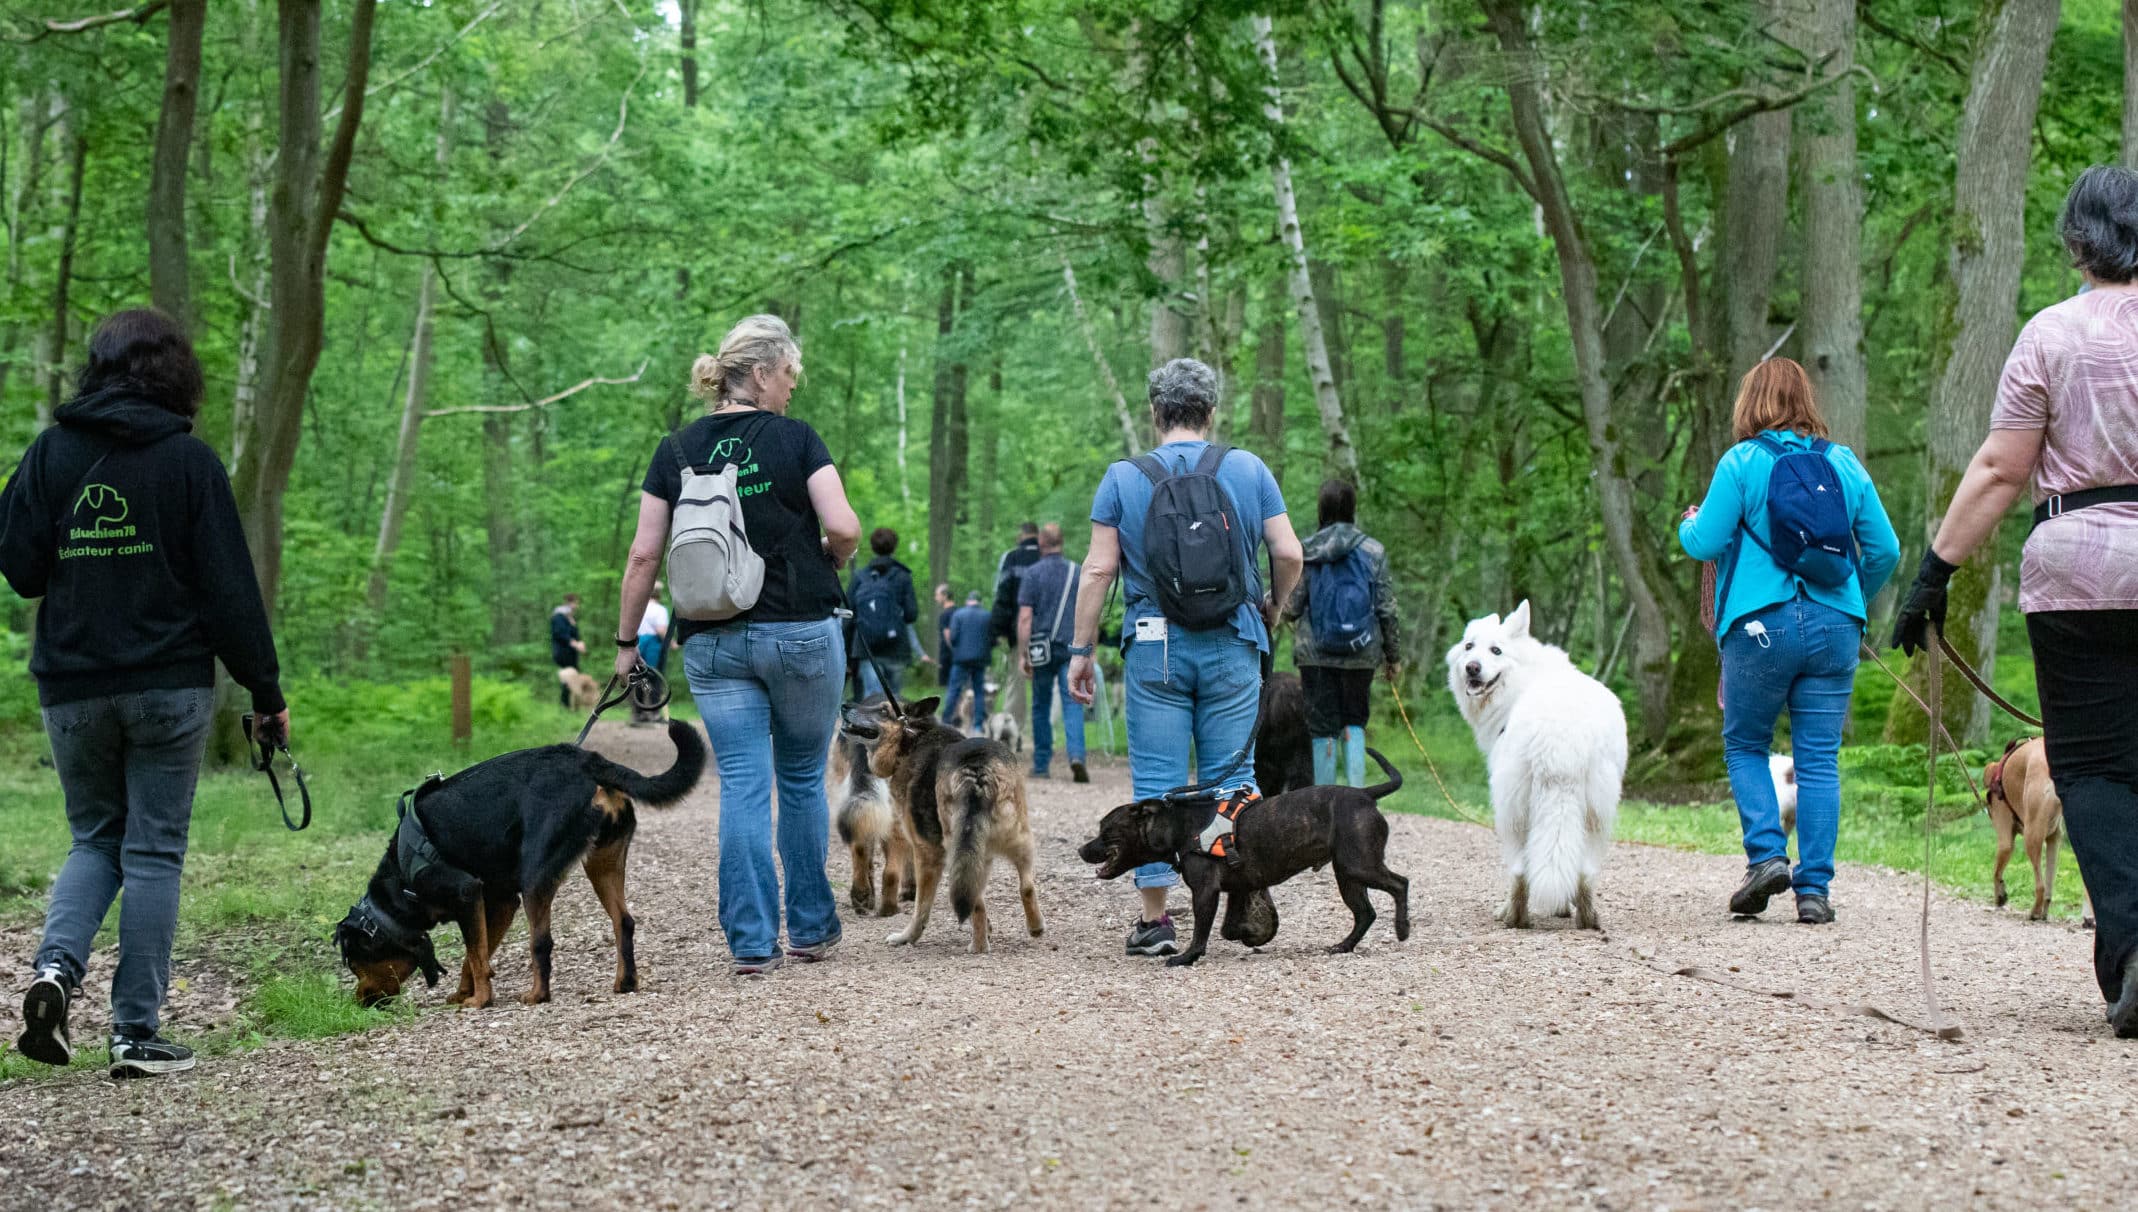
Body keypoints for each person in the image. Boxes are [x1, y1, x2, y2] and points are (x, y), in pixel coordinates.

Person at [0, 309, 289, 1079]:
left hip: (72, 689)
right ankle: (134, 1033)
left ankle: (56, 973)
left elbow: (22, 569)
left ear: (97, 367)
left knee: (94, 838)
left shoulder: (50, 454)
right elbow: (231, 592)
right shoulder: (189, 464)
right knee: (153, 849)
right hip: (169, 687)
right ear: (176, 374)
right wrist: (265, 691)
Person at [1891, 165, 2138, 1035]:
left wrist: (1934, 573)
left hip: (2077, 574)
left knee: (2098, 769)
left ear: (2078, 241)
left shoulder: (2050, 335)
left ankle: (2133, 950)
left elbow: (2001, 468)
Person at [612, 315, 859, 976]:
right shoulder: (797, 440)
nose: (790, 390)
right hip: (801, 630)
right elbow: (842, 525)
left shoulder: (676, 450)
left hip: (713, 642)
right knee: (802, 776)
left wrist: (624, 646)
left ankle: (752, 944)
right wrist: (835, 555)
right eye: (787, 376)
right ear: (759, 373)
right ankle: (809, 928)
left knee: (745, 784)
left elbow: (643, 555)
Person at [1068, 357, 1302, 957]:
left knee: (1157, 783)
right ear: (1212, 410)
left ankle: (1156, 922)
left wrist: (1081, 651)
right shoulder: (1247, 468)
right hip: (1234, 641)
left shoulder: (1123, 477)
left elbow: (1098, 569)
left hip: (1155, 646)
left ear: (1155, 412)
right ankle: (1244, 896)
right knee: (1236, 780)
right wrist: (1272, 607)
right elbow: (1290, 552)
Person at [1679, 357, 1899, 926]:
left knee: (1746, 744)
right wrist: (1850, 600)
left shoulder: (1742, 462)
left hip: (1759, 627)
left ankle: (1768, 857)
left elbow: (1705, 543)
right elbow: (1886, 551)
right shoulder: (1843, 463)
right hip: (1834, 628)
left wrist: (1687, 521)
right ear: (1807, 401)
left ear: (1750, 402)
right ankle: (1814, 891)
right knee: (1819, 758)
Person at [1283, 479, 1402, 788]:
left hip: (1315, 656)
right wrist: (1393, 658)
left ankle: (1325, 804)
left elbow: (1293, 606)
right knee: (1354, 722)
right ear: (1352, 508)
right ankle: (1355, 801)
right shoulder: (1374, 551)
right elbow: (1386, 609)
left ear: (1321, 508)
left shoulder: (1306, 550)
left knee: (1322, 729)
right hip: (1361, 656)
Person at [1017, 522, 1087, 782]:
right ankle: (1077, 756)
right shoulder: (1077, 572)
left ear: (1042, 544)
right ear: (1062, 542)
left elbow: (1025, 618)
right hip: (1072, 646)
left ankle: (1042, 763)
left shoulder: (1033, 574)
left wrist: (1023, 654)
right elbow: (1089, 613)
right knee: (1073, 702)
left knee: (1040, 705)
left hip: (1041, 648)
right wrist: (1090, 650)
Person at [848, 527, 927, 699]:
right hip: (896, 647)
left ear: (873, 547)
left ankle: (873, 726)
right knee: (895, 699)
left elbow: (848, 616)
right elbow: (911, 614)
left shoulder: (859, 576)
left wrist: (847, 655)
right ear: (894, 547)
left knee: (872, 699)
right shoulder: (903, 576)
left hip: (865, 647)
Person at [941, 591, 993, 732]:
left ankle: (945, 721)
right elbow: (992, 639)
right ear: (980, 602)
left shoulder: (958, 614)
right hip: (980, 659)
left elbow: (952, 637)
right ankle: (977, 725)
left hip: (961, 659)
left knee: (954, 690)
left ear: (967, 601)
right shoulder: (987, 615)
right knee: (979, 691)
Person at [550, 593, 586, 707]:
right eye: (575, 603)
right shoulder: (559, 617)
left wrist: (579, 643)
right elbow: (560, 634)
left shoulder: (570, 617)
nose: (576, 605)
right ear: (568, 603)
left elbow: (574, 634)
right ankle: (565, 705)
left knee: (573, 677)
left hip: (571, 654)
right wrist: (575, 644)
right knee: (568, 678)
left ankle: (572, 705)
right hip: (562, 653)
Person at [932, 582, 955, 687]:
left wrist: (953, 651)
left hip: (948, 656)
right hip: (957, 655)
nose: (935, 598)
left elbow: (947, 635)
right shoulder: (958, 611)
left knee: (948, 687)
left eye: (937, 595)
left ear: (945, 596)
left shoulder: (945, 615)